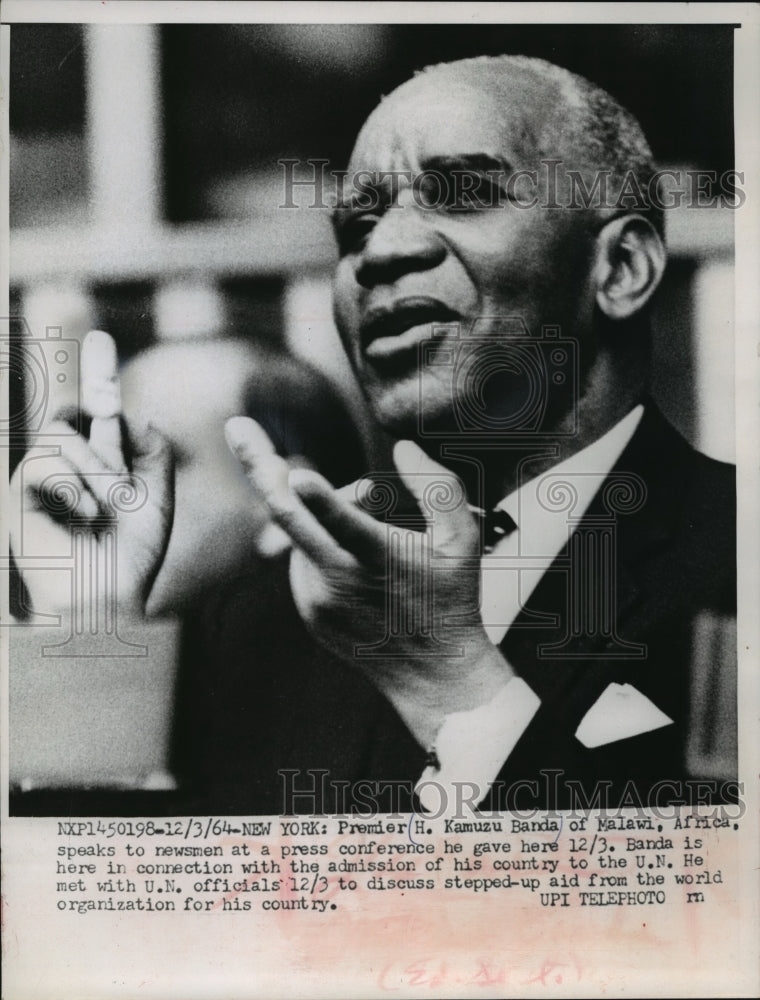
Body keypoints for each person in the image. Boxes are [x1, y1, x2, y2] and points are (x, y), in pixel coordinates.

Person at [11, 55, 736, 815]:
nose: (381, 254)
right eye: (357, 227)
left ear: (620, 268)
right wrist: (87, 623)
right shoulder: (263, 621)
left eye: (463, 195)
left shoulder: (734, 562)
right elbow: (113, 924)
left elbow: (698, 921)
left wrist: (452, 686)